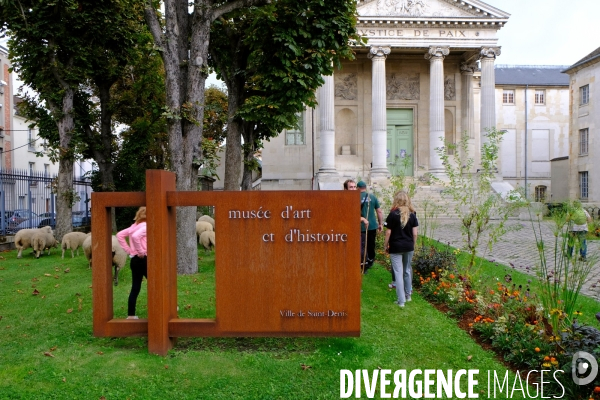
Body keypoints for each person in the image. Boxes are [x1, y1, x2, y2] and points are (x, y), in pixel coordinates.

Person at [383, 191, 418, 308]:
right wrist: (413, 244)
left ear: (396, 200)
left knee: (398, 273)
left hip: (396, 247)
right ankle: (408, 295)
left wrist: (385, 245)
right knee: (407, 270)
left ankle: (401, 300)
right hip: (408, 247)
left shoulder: (393, 214)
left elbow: (388, 232)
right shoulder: (412, 215)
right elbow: (415, 234)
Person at [116, 207, 148, 319]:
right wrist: (140, 251)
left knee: (135, 287)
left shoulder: (134, 226)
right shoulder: (146, 226)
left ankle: (131, 315)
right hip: (144, 259)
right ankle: (167, 307)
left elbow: (119, 235)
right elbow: (135, 237)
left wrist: (129, 250)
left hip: (134, 260)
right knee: (159, 284)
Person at [357, 181, 383, 271]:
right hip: (372, 225)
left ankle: (363, 261)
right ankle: (370, 260)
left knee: (362, 245)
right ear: (365, 187)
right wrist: (380, 224)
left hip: (361, 225)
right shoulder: (372, 197)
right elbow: (379, 211)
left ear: (358, 188)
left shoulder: (355, 197)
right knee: (371, 244)